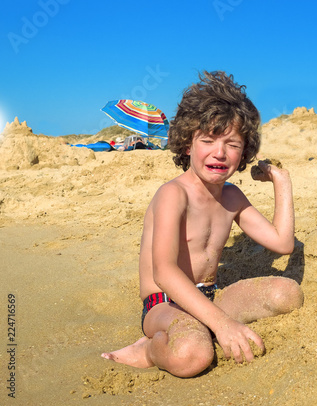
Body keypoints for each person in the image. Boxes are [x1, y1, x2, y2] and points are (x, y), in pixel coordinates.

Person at [101, 71, 304, 378]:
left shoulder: (232, 197)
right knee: (192, 356)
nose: (219, 152)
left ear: (245, 152)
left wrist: (281, 181)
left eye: (232, 144)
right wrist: (222, 324)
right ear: (187, 145)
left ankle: (201, 327)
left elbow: (282, 243)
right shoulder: (173, 194)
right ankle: (147, 349)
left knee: (287, 294)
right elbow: (165, 272)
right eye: (207, 140)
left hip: (211, 294)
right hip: (165, 303)